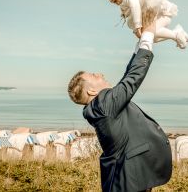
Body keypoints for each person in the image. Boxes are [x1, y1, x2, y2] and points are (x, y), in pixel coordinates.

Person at [68, 11, 173, 192]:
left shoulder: (102, 106)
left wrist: (139, 45)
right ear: (91, 91)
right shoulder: (103, 105)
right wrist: (147, 36)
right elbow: (132, 79)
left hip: (130, 180)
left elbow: (126, 77)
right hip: (130, 182)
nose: (100, 73)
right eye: (94, 75)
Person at [102, 0, 188, 49]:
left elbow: (135, 6)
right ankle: (176, 33)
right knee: (153, 38)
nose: (110, 0)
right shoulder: (123, 3)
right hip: (155, 17)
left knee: (149, 35)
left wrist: (137, 26)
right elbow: (130, 15)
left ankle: (176, 35)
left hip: (162, 13)